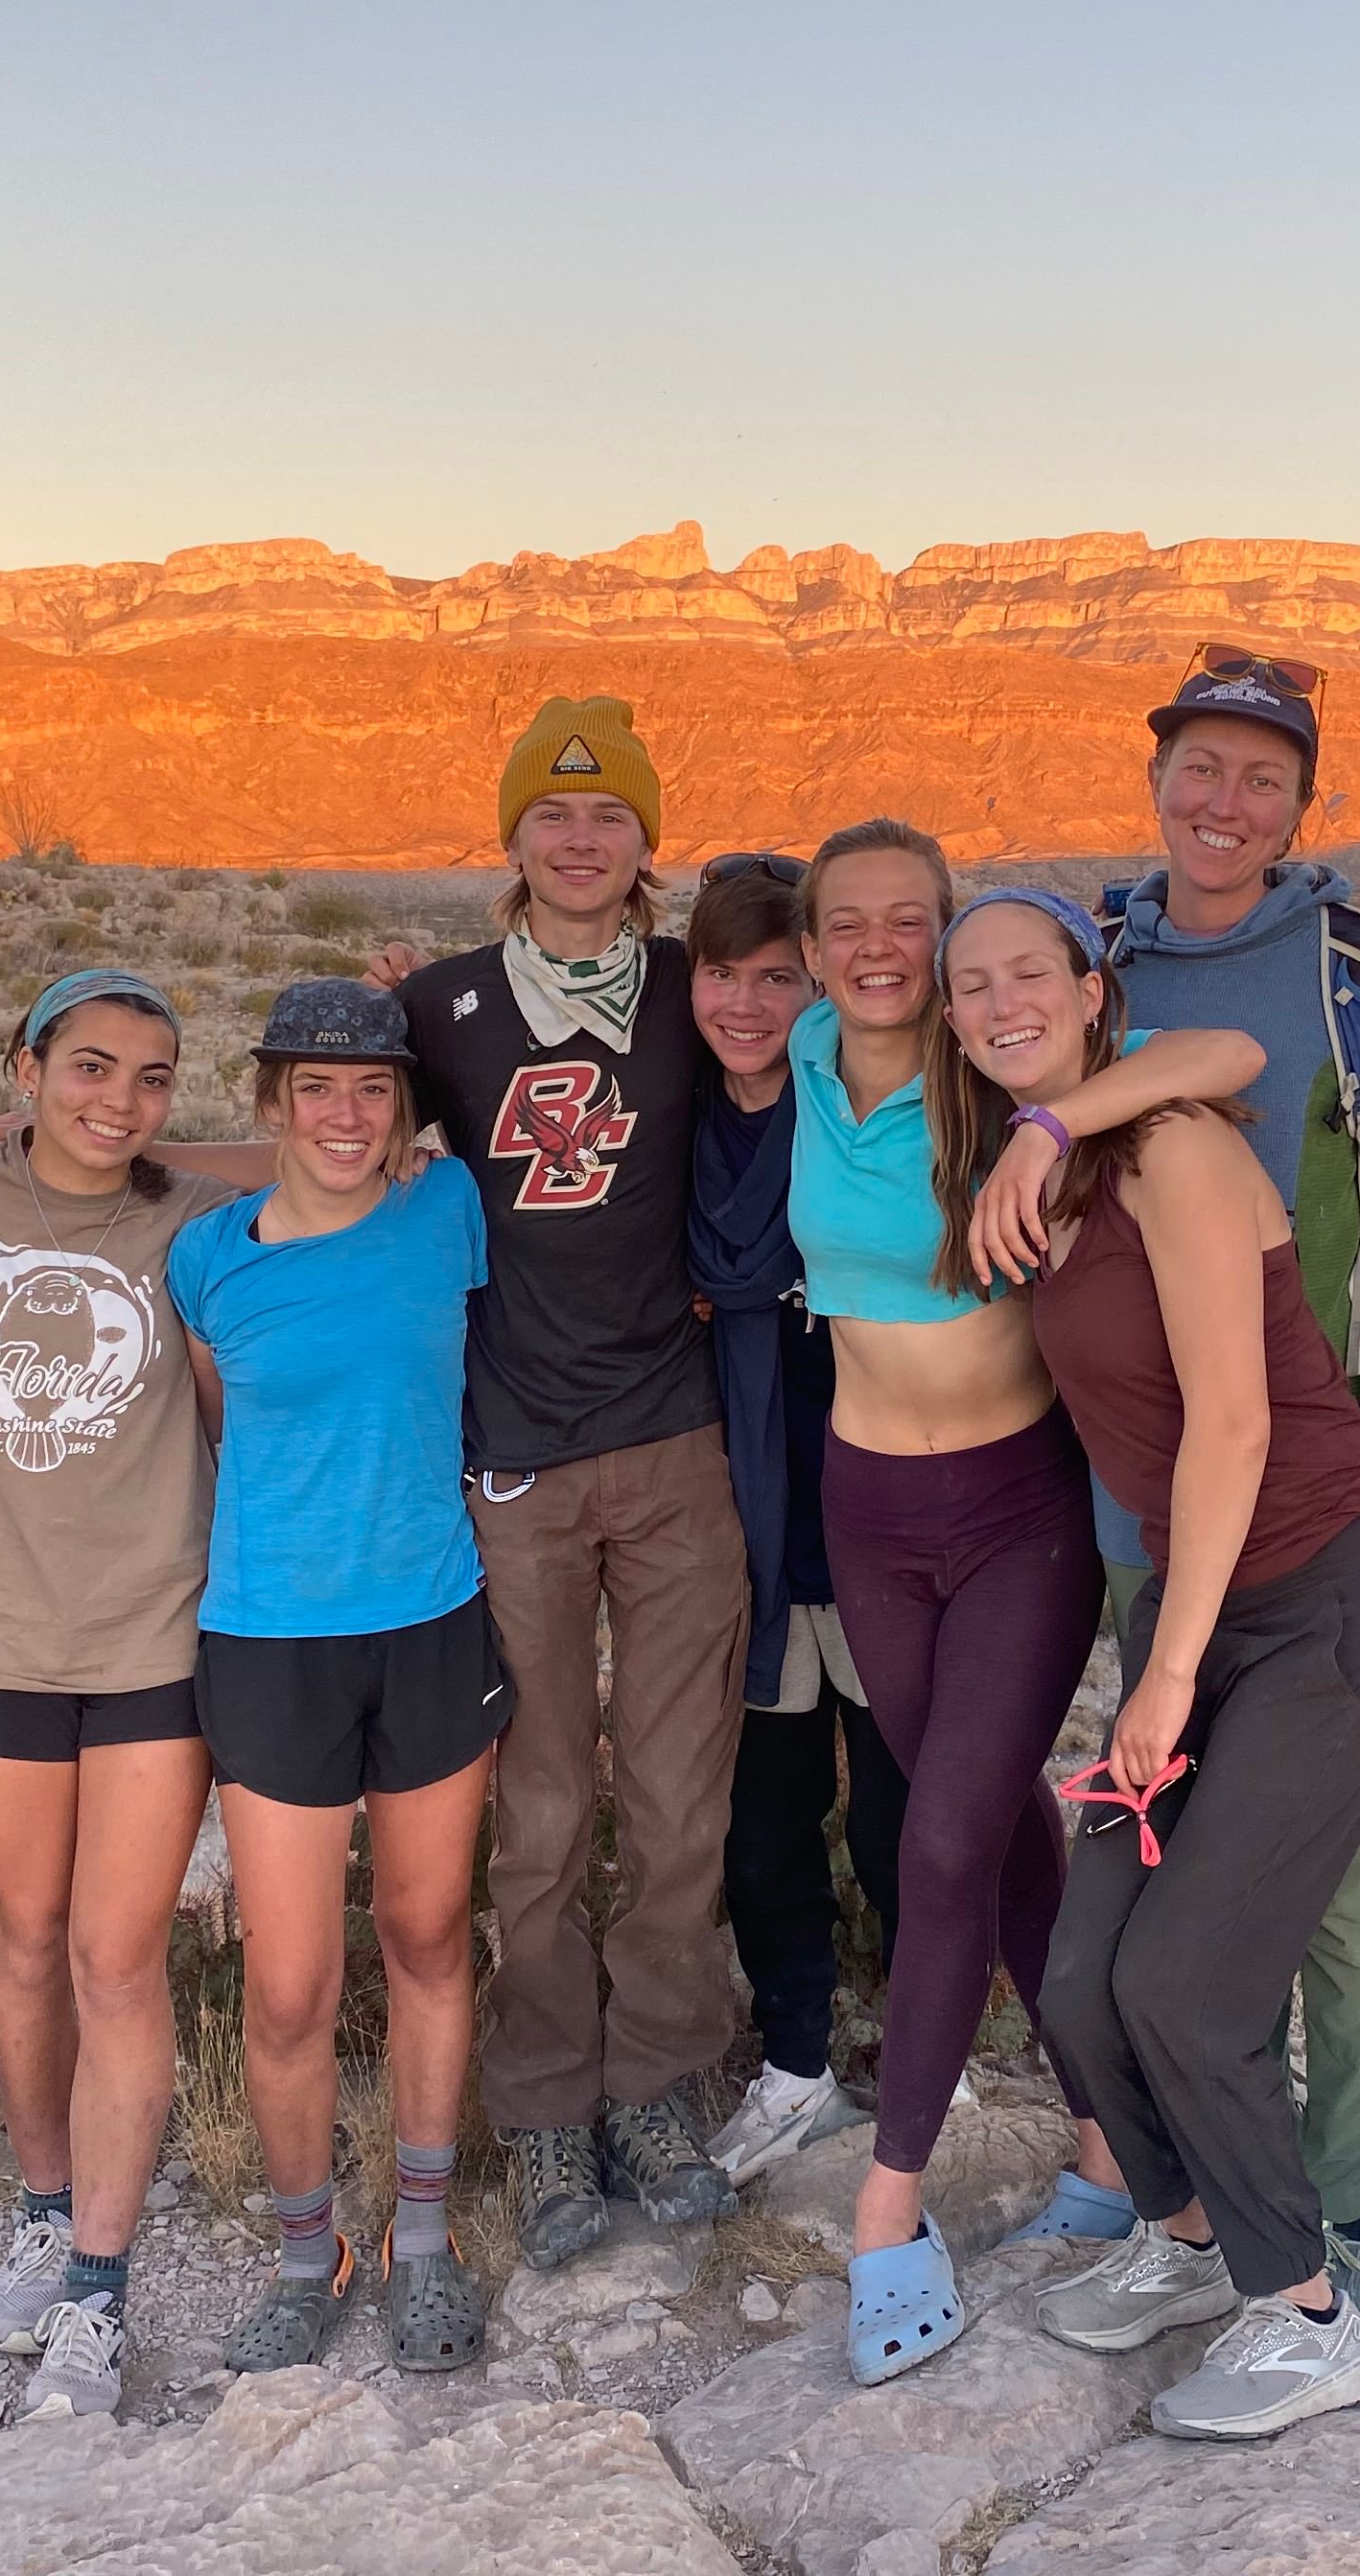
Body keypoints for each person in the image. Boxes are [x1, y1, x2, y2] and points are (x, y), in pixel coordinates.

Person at [934, 886, 1360, 2443]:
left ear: (1098, 995)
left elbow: (1237, 1425)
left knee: (1184, 1979)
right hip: (1200, 1604)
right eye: (972, 985)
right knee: (1085, 1976)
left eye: (1034, 972)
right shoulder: (1057, 1170)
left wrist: (1160, 1679)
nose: (1000, 998)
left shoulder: (1178, 1152)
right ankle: (1187, 2239)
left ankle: (1306, 2316)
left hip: (1331, 1599)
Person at [787, 820, 1263, 2383]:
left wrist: (1057, 1128)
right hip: (867, 1505)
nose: (875, 948)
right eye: (843, 922)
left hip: (1013, 1515)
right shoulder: (794, 1053)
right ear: (808, 948)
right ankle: (1110, 2153)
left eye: (907, 923)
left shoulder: (995, 1084)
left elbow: (1224, 1046)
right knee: (984, 1836)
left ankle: (888, 2211)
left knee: (937, 1840)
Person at [390, 700, 753, 2264]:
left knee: (679, 1792)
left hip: (674, 1445)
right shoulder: (438, 1007)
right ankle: (543, 2113)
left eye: (610, 818)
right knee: (536, 1807)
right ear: (515, 836)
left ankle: (658, 2082)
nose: (582, 839)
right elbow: (316, 1137)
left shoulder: (697, 994)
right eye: (554, 814)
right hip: (516, 1455)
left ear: (647, 842)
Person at [1088, 647, 1360, 2311]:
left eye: (1260, 780)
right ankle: (1193, 2201)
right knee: (1174, 1858)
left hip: (1309, 1498)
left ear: (1304, 804)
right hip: (1135, 1508)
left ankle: (1338, 2204)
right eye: (1198, 771)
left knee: (1337, 1880)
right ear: (1155, 779)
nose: (1223, 805)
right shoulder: (1096, 954)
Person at [170, 979, 504, 2377]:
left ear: (404, 1106)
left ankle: (419, 2236)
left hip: (429, 1619)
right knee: (293, 1986)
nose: (347, 1114)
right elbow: (209, 1417)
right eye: (315, 1088)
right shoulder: (208, 1259)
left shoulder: (449, 1212)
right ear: (270, 1103)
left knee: (428, 1940)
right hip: (270, 1639)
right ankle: (312, 2250)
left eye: (372, 1088)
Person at [0, 968, 244, 2422]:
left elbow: (298, 1165)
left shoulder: (186, 1222)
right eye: (91, 1068)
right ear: (28, 1063)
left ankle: (100, 2286)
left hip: (148, 1645)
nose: (117, 1101)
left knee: (119, 1958)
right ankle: (45, 2208)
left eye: (152, 1078)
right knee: (24, 1941)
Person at [682, 853, 907, 2186]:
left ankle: (926, 2041)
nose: (752, 1002)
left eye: (781, 974)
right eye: (724, 973)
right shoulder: (669, 1114)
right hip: (747, 1518)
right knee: (761, 1816)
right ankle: (796, 2059)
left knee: (893, 1813)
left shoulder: (859, 1101)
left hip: (874, 1500)